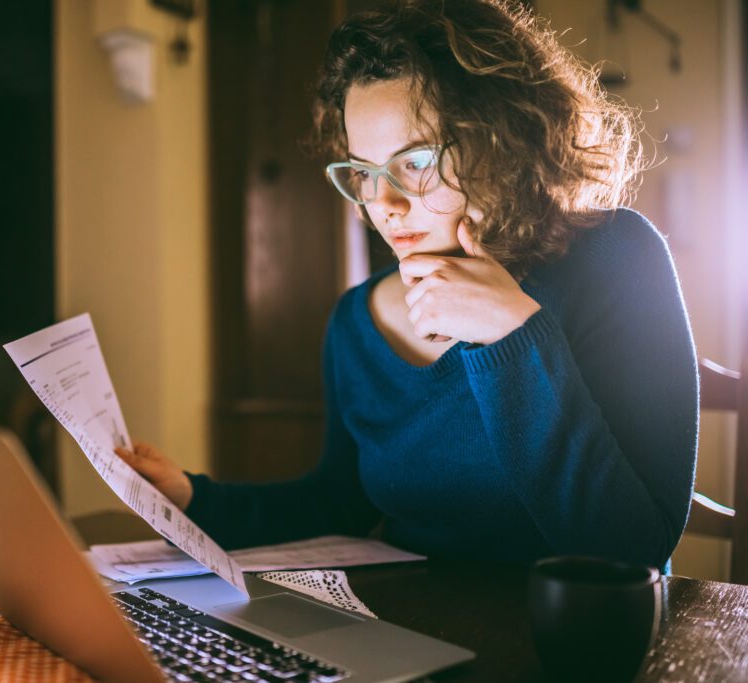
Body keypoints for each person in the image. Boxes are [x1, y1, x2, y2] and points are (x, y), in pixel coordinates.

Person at [116, 0, 698, 571]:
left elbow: (633, 548)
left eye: (415, 162)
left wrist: (512, 334)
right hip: (408, 641)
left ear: (504, 140)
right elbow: (336, 502)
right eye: (364, 172)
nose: (383, 205)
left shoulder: (617, 257)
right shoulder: (355, 321)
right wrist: (194, 498)